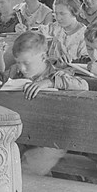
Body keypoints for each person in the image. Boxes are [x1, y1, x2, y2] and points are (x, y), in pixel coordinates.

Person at [6, 31, 73, 177]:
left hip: (53, 139)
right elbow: (2, 77)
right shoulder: (15, 72)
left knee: (26, 169)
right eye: (18, 62)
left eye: (26, 63)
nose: (21, 68)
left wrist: (49, 82)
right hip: (25, 134)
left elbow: (83, 84)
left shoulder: (57, 73)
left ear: (43, 57)